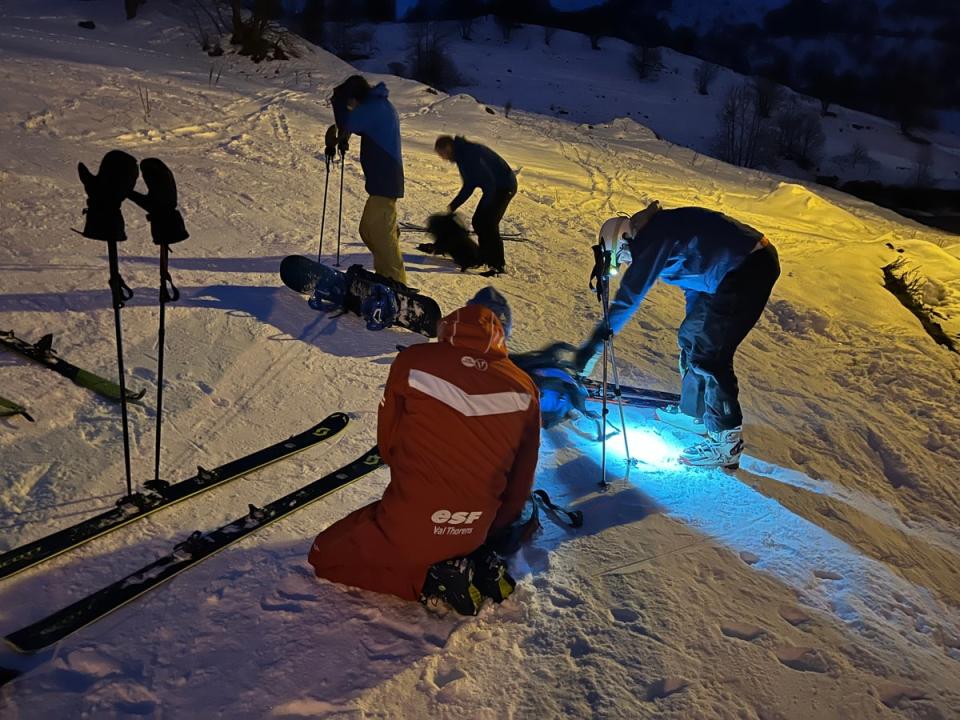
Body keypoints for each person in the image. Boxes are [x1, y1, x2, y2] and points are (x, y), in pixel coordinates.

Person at [309, 287, 541, 614]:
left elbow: (389, 447)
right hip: (475, 529)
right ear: (505, 333)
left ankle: (427, 581)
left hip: (410, 523)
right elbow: (520, 484)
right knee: (445, 533)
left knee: (323, 556)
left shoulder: (413, 361)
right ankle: (469, 559)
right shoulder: (526, 387)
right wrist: (489, 532)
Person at [574, 202, 780, 469]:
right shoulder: (661, 232)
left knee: (710, 354)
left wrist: (596, 343)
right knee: (691, 338)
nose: (627, 263)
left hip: (748, 269)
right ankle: (694, 412)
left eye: (624, 257)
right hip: (727, 274)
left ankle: (726, 443)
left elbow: (630, 296)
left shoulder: (654, 235)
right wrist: (694, 328)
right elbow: (694, 280)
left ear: (625, 239)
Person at [326, 75, 407, 284]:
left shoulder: (374, 106)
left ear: (354, 97)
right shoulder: (375, 106)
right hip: (382, 181)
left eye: (349, 102)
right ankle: (386, 277)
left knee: (379, 234)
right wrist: (343, 138)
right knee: (369, 230)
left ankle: (396, 283)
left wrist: (337, 100)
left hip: (385, 181)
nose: (349, 106)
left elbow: (347, 122)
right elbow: (354, 126)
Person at [435, 135, 517, 276]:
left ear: (449, 148)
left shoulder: (470, 154)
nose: (443, 158)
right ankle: (484, 258)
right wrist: (453, 206)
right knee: (479, 222)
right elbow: (469, 185)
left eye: (442, 154)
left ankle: (497, 265)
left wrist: (486, 207)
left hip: (504, 187)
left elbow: (490, 183)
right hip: (493, 188)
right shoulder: (461, 157)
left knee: (488, 223)